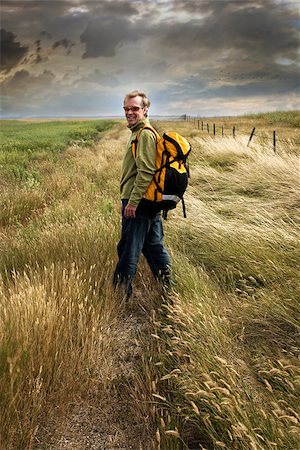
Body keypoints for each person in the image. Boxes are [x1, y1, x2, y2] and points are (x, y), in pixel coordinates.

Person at [113, 90, 171, 298]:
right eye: (126, 108)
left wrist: (133, 203)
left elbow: (146, 171)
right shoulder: (138, 132)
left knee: (129, 248)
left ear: (145, 110)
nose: (129, 112)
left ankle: (120, 294)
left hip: (138, 202)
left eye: (135, 108)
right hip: (147, 201)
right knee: (154, 246)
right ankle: (168, 288)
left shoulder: (144, 134)